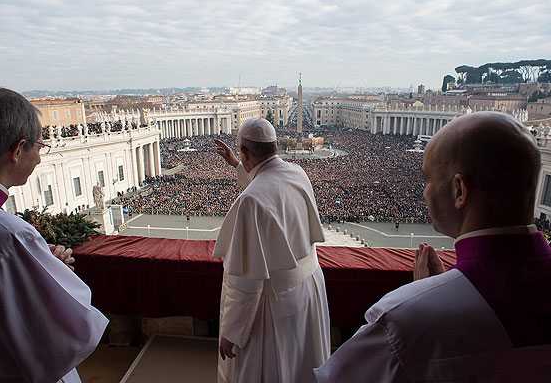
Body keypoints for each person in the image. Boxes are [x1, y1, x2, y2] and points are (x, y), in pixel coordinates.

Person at [315, 111, 551, 382]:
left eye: (428, 179)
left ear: (459, 190)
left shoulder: (404, 320)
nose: (425, 192)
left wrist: (428, 295)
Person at [0, 88, 108, 382]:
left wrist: (36, 259)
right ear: (18, 150)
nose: (39, 157)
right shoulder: (8, 237)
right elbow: (74, 331)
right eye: (39, 146)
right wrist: (50, 269)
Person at [213, 118, 330, 382]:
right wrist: (236, 164)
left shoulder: (250, 201)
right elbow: (269, 186)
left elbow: (245, 281)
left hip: (274, 303)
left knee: (273, 367)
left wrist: (232, 331)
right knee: (301, 361)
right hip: (308, 288)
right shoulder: (297, 172)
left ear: (245, 152)